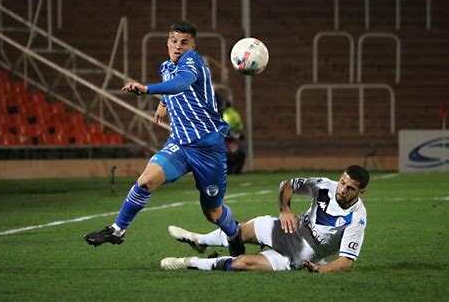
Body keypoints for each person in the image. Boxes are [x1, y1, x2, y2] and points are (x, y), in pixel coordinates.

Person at [84, 21, 244, 256]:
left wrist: (148, 90)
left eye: (184, 42)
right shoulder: (167, 66)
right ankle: (117, 230)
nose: (178, 47)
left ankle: (234, 234)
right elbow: (173, 85)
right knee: (145, 181)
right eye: (174, 41)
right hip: (179, 144)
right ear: (168, 42)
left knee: (213, 213)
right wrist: (162, 103)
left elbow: (183, 82)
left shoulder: (193, 61)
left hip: (208, 149)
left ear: (193, 45)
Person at [161, 165, 370, 273]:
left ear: (361, 192)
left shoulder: (357, 218)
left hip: (299, 255)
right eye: (342, 182)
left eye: (350, 188)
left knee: (241, 263)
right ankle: (200, 240)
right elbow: (288, 185)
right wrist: (285, 208)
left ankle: (188, 263)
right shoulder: (325, 185)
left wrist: (322, 269)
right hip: (288, 228)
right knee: (238, 231)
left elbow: (347, 260)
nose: (342, 189)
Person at [222, 101, 246, 174]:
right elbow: (239, 125)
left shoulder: (225, 114)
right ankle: (235, 170)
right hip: (233, 136)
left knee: (229, 153)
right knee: (238, 154)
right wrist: (238, 134)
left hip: (228, 136)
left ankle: (229, 170)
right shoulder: (235, 113)